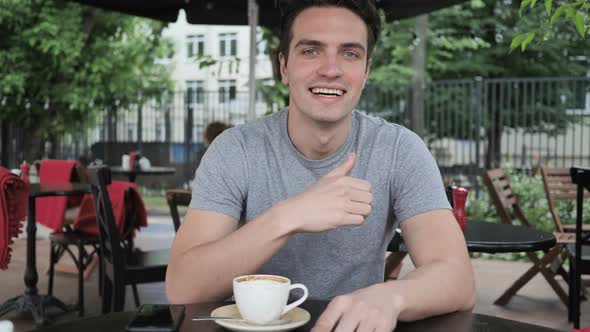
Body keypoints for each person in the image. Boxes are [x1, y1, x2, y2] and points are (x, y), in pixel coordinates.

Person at [166, 1, 475, 331]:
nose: (331, 69)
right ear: (284, 66)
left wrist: (392, 297)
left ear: (366, 71)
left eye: (349, 53)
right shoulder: (235, 150)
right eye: (311, 51)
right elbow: (182, 287)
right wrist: (290, 216)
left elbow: (457, 278)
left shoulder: (400, 150)